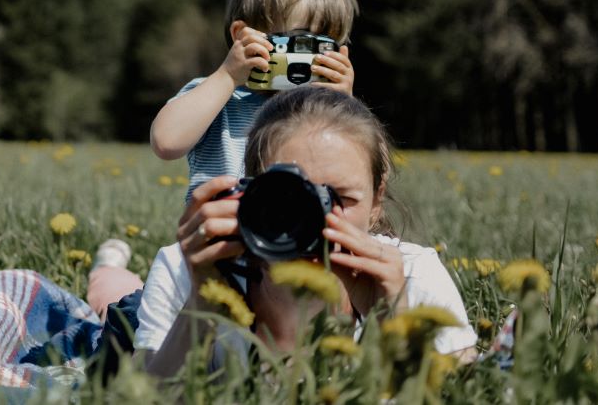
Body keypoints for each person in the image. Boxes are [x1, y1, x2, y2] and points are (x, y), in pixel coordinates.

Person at [99, 86, 477, 377]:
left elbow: (469, 392)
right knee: (107, 304)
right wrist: (203, 302)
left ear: (377, 200)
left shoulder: (413, 274)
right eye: (291, 198)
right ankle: (108, 269)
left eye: (337, 200)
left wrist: (391, 320)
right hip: (137, 326)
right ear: (250, 193)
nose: (312, 218)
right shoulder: (190, 269)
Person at [150, 0, 359, 203]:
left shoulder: (325, 111)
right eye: (302, 41)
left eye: (327, 45)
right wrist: (227, 76)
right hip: (221, 235)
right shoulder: (218, 98)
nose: (315, 57)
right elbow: (166, 142)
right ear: (243, 36)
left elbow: (363, 181)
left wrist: (345, 108)